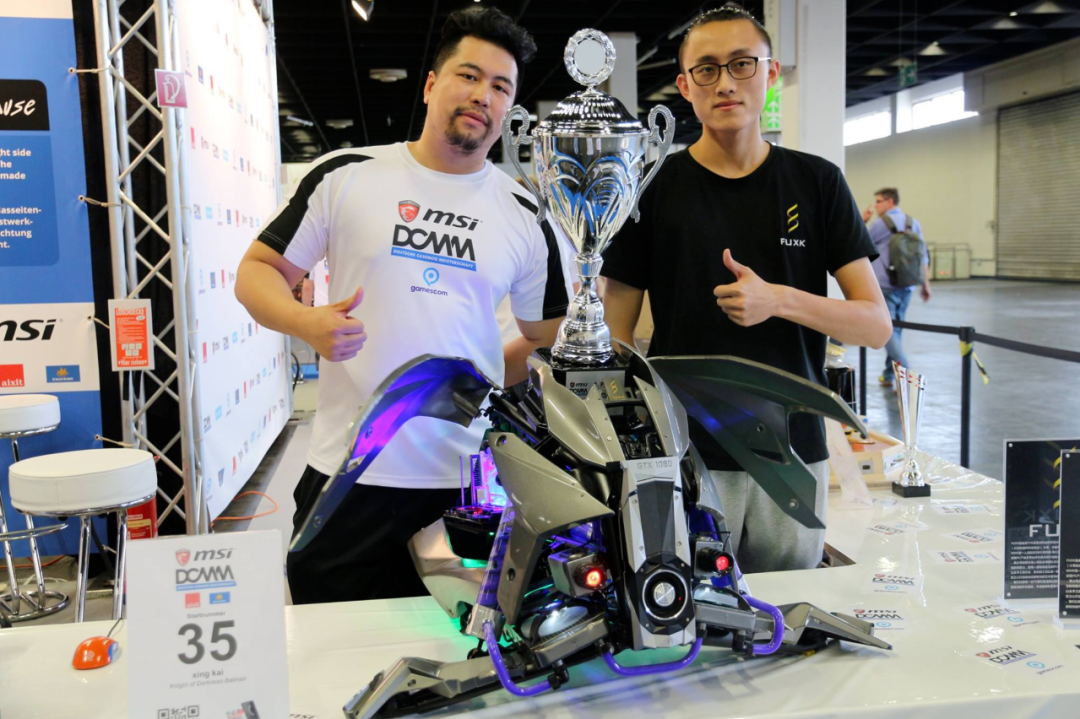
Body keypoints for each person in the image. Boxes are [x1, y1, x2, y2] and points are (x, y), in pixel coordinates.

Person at [234, 6, 571, 604]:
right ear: (431, 85)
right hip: (348, 473)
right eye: (469, 75)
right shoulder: (345, 175)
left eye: (501, 87)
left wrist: (479, 378)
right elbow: (257, 271)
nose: (483, 95)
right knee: (331, 641)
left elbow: (548, 336)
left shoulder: (524, 213)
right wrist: (305, 322)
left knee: (460, 652)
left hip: (466, 484)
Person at [600, 4, 892, 573]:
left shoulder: (817, 182)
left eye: (742, 64)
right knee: (685, 609)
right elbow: (616, 336)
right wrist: (632, 440)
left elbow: (875, 325)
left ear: (771, 72)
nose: (726, 83)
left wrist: (778, 299)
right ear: (685, 85)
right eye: (706, 69)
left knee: (789, 609)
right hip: (685, 454)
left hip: (792, 451)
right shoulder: (651, 188)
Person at [861, 187, 931, 386]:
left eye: (879, 201)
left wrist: (862, 221)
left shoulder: (881, 223)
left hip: (886, 284)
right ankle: (889, 374)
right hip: (908, 284)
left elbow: (859, 242)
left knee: (888, 332)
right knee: (896, 329)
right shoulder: (913, 222)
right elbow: (923, 256)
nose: (876, 206)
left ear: (890, 201)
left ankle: (907, 377)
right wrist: (925, 284)